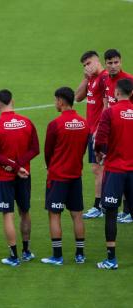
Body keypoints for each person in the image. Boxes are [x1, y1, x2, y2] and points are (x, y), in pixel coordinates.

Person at [0, 89, 39, 267]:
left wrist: (14, 167)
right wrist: (21, 166)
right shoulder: (27, 122)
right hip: (24, 175)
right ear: (12, 101)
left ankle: (13, 256)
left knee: (7, 214)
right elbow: (35, 149)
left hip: (4, 176)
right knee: (24, 211)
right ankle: (26, 251)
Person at [41, 87, 88, 266]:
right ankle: (80, 255)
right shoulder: (84, 123)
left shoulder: (55, 124)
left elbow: (48, 151)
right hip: (75, 175)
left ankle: (57, 256)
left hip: (58, 176)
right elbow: (83, 148)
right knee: (77, 215)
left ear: (61, 101)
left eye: (55, 100)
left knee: (54, 215)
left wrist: (50, 165)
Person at [94, 79, 133, 270]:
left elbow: (100, 139)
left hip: (115, 170)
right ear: (131, 93)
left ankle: (111, 259)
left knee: (110, 213)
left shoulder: (110, 112)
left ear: (117, 93)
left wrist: (99, 152)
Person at [75, 51, 108, 219]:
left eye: (89, 63)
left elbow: (107, 105)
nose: (87, 67)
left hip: (99, 131)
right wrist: (86, 77)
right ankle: (104, 205)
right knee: (99, 168)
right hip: (92, 130)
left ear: (97, 61)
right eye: (84, 65)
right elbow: (77, 97)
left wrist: (99, 130)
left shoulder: (104, 78)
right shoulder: (92, 79)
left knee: (99, 168)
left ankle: (100, 206)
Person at [101, 49, 133, 223]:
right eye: (110, 63)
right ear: (105, 63)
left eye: (116, 62)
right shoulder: (105, 79)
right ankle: (124, 210)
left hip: (126, 133)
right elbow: (106, 103)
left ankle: (128, 210)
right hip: (112, 132)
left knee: (125, 169)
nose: (113, 66)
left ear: (121, 62)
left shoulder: (129, 81)